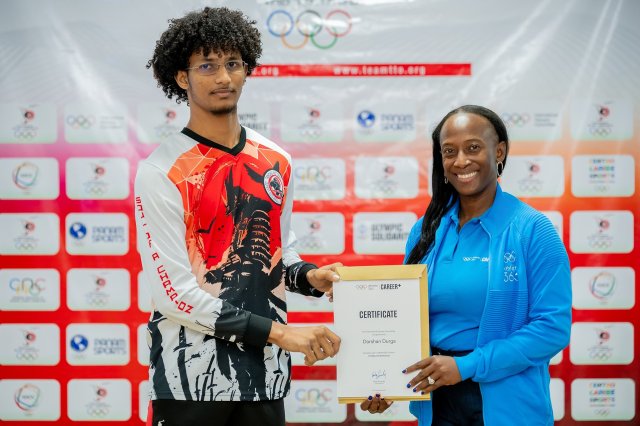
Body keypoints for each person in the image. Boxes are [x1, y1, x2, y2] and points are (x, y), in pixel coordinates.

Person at [135, 7, 341, 426]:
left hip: (265, 376)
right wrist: (282, 333)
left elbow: (280, 252)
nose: (224, 77)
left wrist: (310, 277)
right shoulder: (162, 170)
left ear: (247, 69)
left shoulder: (276, 159)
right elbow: (175, 296)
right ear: (181, 78)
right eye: (207, 66)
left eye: (233, 63)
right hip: (189, 379)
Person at [360, 105, 571, 425]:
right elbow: (405, 319)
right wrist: (387, 380)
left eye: (473, 148)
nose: (461, 161)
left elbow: (552, 328)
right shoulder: (425, 231)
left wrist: (466, 366)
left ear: (499, 151)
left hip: (507, 405)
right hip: (437, 400)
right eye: (449, 151)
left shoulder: (531, 230)